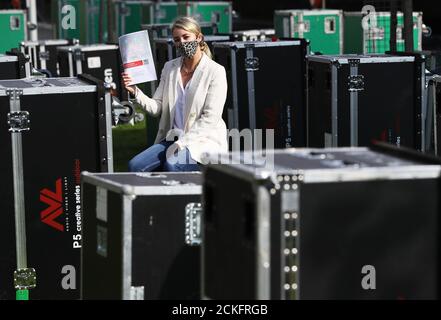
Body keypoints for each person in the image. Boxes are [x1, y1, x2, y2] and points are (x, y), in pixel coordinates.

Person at [122, 16, 228, 172]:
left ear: (198, 37)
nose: (182, 43)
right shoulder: (169, 68)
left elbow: (210, 119)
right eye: (177, 39)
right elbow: (157, 107)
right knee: (135, 166)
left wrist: (181, 144)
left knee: (172, 165)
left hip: (203, 141)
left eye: (186, 37)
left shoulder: (215, 71)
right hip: (173, 138)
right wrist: (135, 91)